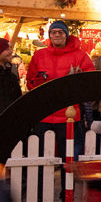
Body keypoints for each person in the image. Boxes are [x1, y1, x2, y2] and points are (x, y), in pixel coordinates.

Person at [26, 20, 94, 157]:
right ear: (49, 35)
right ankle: (40, 179)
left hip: (68, 115)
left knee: (68, 157)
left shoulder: (80, 55)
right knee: (40, 156)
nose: (57, 35)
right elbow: (30, 82)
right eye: (53, 32)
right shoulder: (39, 55)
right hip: (44, 114)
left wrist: (79, 79)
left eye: (61, 32)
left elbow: (90, 82)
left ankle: (67, 179)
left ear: (66, 35)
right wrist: (38, 82)